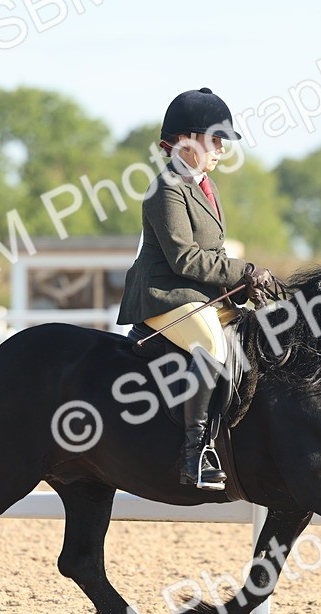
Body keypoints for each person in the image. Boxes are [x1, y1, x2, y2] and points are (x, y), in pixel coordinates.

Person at [117, 87, 272, 490]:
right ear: (186, 142)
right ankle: (195, 454)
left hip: (197, 295)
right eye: (215, 140)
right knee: (213, 346)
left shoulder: (206, 185)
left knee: (251, 334)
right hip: (164, 295)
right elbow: (185, 259)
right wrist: (244, 270)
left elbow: (214, 251)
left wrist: (244, 286)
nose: (221, 148)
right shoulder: (164, 188)